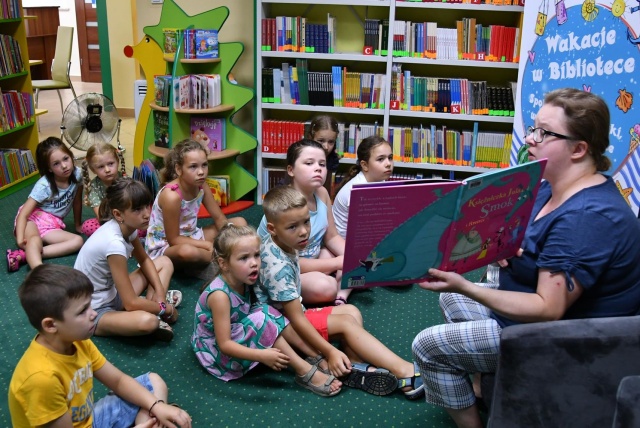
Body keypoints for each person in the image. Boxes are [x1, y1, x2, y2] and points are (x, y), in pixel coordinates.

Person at [412, 88, 640, 428]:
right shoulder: (550, 186)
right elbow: (532, 242)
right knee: (450, 298)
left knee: (427, 346)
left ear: (579, 149)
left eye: (544, 133)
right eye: (534, 128)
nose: (530, 139)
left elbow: (548, 308)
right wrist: (502, 250)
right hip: (536, 314)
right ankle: (486, 382)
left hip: (562, 339)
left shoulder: (586, 217)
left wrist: (465, 285)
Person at [256, 185, 424, 398]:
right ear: (272, 228)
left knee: (351, 311)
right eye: (292, 227)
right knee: (346, 323)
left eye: (306, 221)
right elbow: (296, 319)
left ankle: (353, 365)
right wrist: (330, 351)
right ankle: (406, 373)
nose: (304, 231)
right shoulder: (277, 267)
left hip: (290, 312)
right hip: (282, 326)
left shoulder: (283, 243)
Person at [8, 264, 193, 428]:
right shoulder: (41, 379)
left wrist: (156, 406)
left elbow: (118, 381)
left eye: (90, 305)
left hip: (89, 420)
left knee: (154, 382)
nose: (94, 313)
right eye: (82, 311)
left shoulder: (78, 341)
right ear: (50, 325)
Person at [192, 223, 342, 396]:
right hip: (216, 355)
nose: (254, 263)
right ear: (223, 264)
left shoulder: (242, 277)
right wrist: (262, 355)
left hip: (237, 327)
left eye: (256, 255)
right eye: (244, 258)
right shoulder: (220, 296)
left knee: (266, 311)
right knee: (262, 319)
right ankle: (304, 371)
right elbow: (224, 344)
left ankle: (314, 356)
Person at [74, 177, 180, 342]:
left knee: (164, 262)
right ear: (118, 214)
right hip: (94, 310)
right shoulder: (114, 244)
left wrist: (160, 295)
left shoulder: (128, 227)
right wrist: (166, 309)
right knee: (148, 322)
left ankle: (152, 305)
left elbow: (145, 260)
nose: (147, 214)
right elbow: (130, 302)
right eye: (137, 209)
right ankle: (153, 313)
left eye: (147, 205)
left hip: (114, 293)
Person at [258, 139, 348, 305]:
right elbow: (287, 259)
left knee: (339, 254)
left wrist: (352, 257)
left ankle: (333, 278)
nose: (318, 168)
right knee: (327, 287)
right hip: (284, 266)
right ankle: (335, 285)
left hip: (312, 256)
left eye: (322, 164)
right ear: (291, 170)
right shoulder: (285, 206)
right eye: (309, 163)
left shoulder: (322, 193)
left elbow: (332, 236)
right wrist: (337, 263)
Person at [145, 139, 246, 281]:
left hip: (192, 236)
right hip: (165, 246)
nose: (201, 172)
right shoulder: (171, 196)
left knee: (239, 223)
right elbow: (173, 239)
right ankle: (224, 262)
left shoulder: (201, 185)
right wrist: (206, 245)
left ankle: (208, 261)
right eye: (193, 167)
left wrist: (229, 237)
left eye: (204, 165)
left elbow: (219, 218)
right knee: (187, 251)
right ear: (178, 169)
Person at [8, 137, 84, 272]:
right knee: (34, 239)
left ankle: (26, 255)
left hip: (51, 224)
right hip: (33, 218)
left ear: (71, 156)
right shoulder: (44, 186)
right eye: (56, 164)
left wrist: (77, 224)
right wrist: (20, 239)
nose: (64, 166)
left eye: (66, 159)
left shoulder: (78, 175)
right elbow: (24, 214)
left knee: (77, 241)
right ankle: (38, 270)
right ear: (49, 168)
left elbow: (77, 201)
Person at [332, 136, 393, 238]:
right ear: (364, 165)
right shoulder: (356, 192)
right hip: (345, 242)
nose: (388, 164)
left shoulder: (380, 179)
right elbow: (366, 230)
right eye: (380, 159)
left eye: (390, 158)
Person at [79, 142, 127, 237]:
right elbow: (101, 217)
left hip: (127, 219)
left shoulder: (126, 180)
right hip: (107, 222)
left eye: (110, 164)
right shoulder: (93, 187)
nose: (107, 170)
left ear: (117, 161)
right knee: (87, 226)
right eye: (101, 167)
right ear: (93, 170)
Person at [307, 115, 341, 195]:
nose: (326, 147)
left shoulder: (332, 160)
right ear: (310, 138)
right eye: (321, 141)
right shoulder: (300, 159)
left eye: (331, 142)